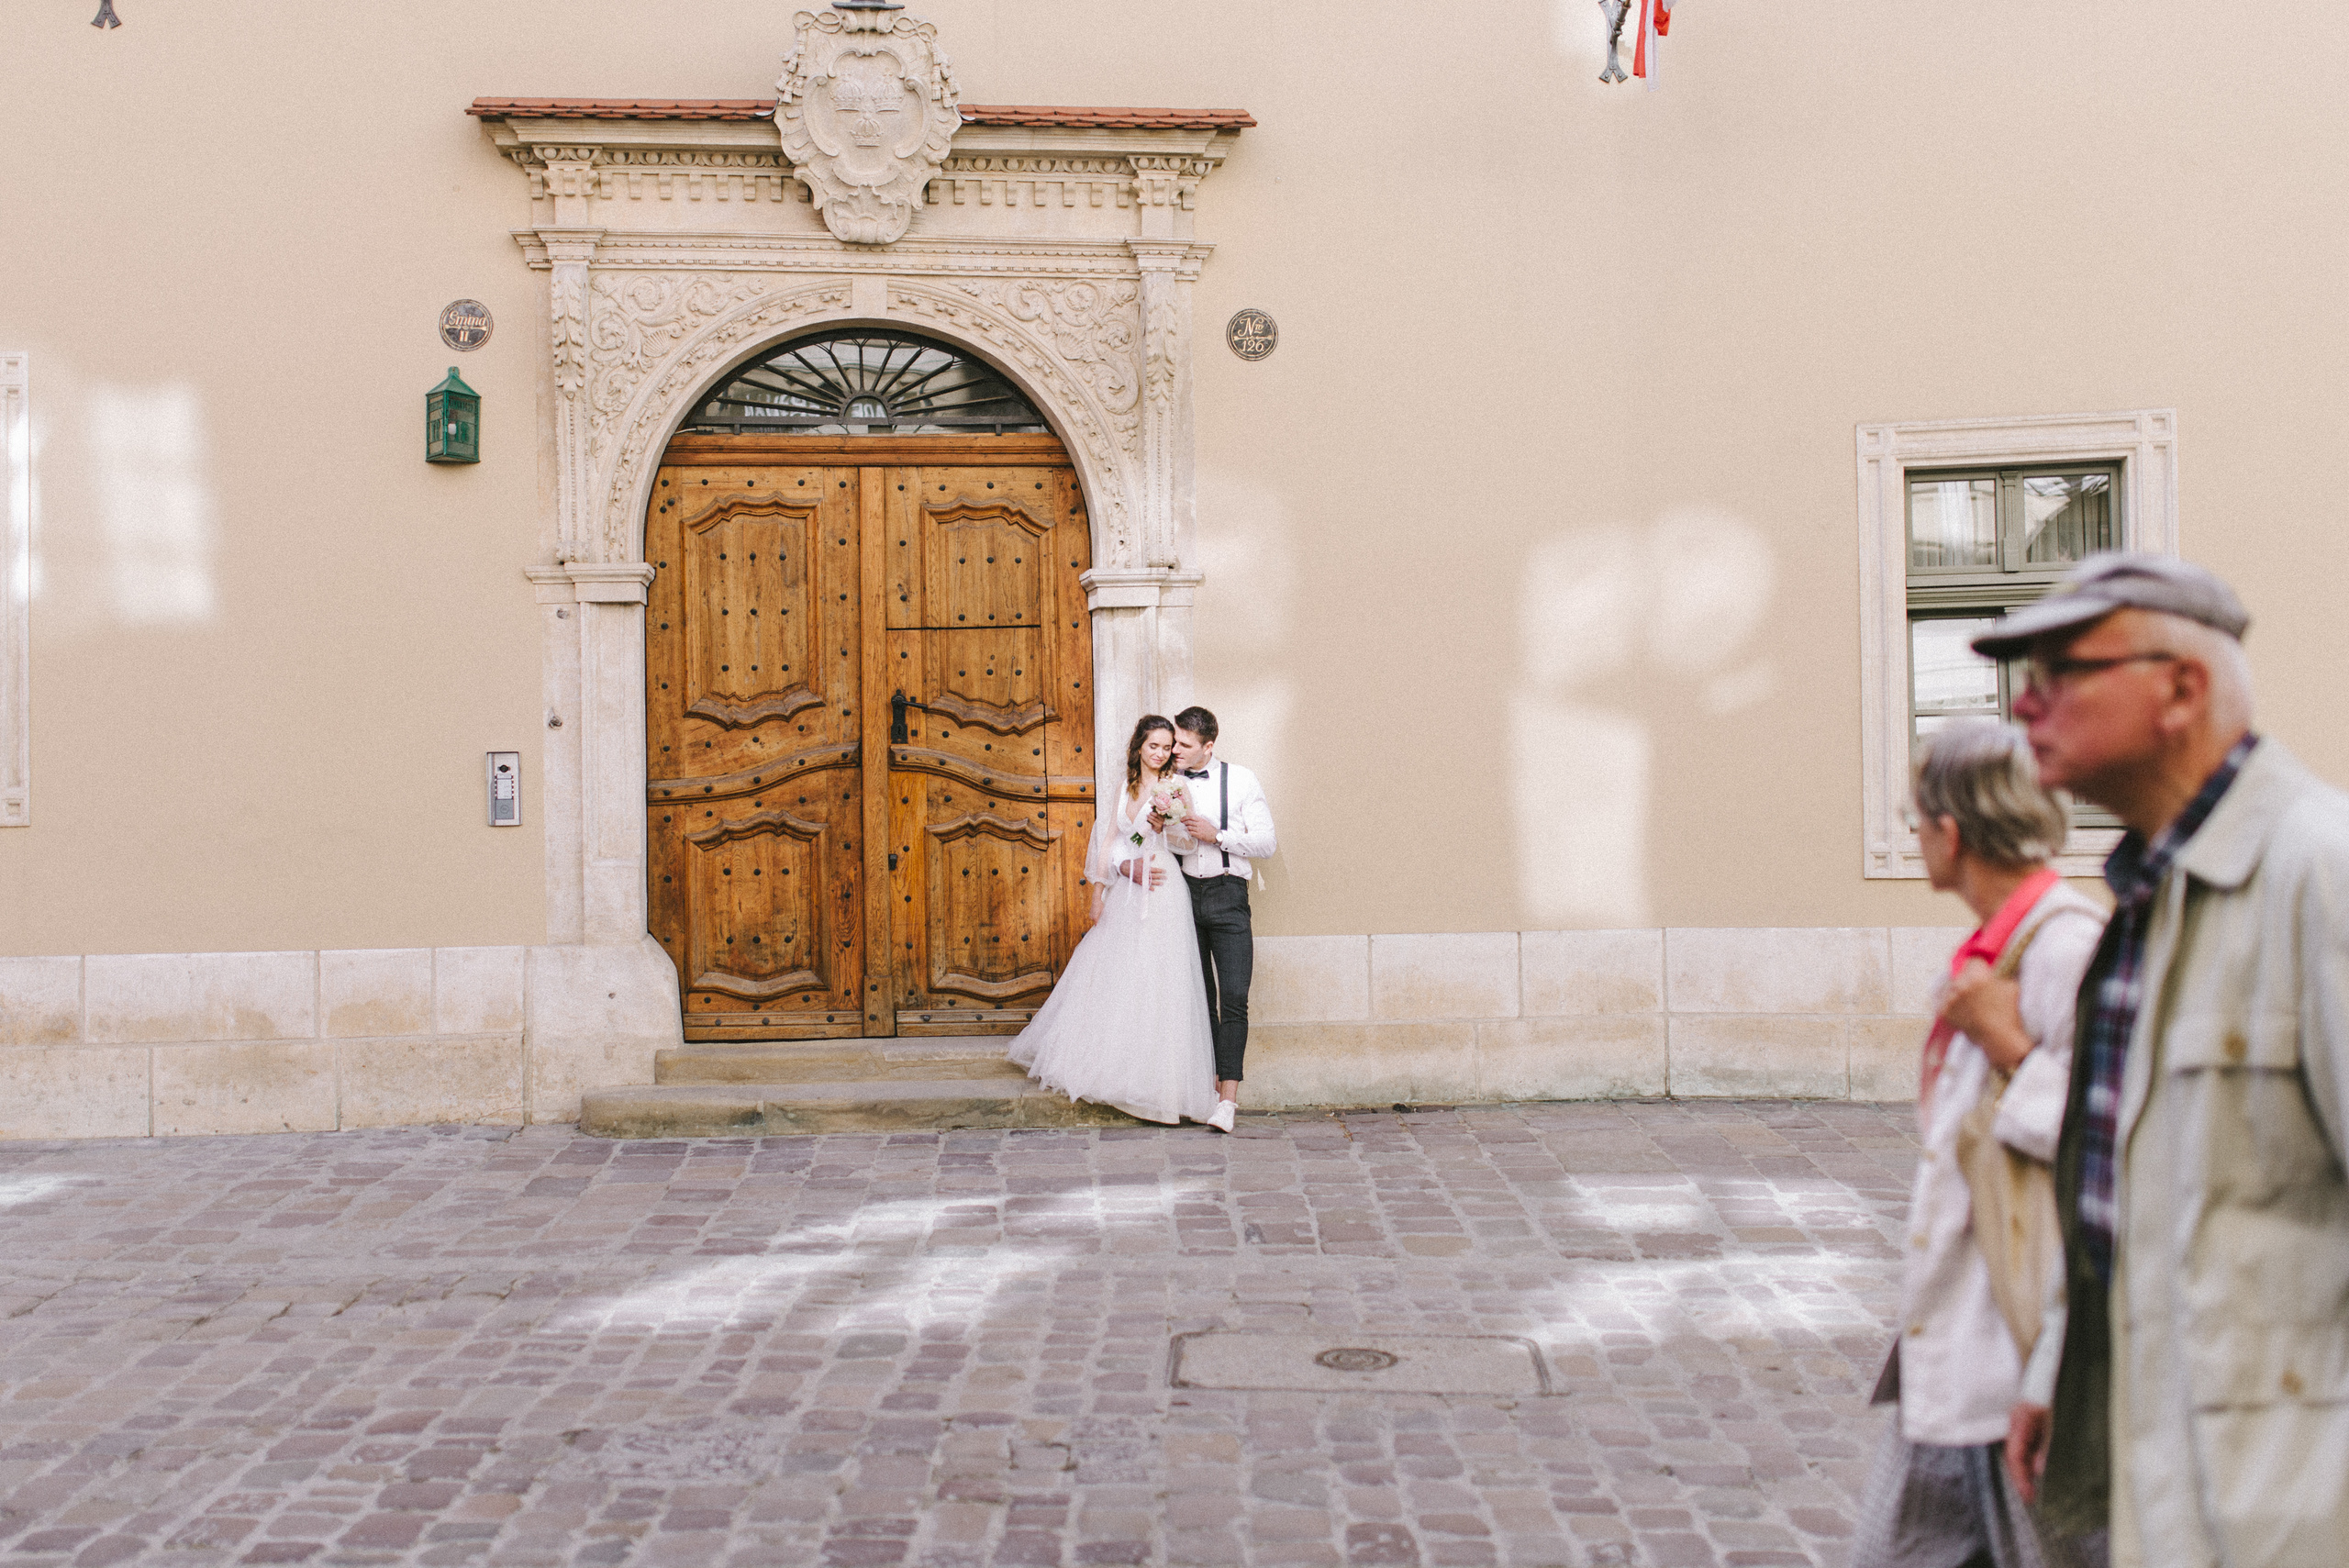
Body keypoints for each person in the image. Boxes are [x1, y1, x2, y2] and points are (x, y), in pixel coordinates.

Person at [1973, 554, 2349, 1567]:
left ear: (2180, 688)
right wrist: (2060, 1365)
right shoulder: (2151, 895)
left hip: (2291, 1502)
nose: (2025, 699)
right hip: (2172, 1472)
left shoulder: (2318, 873)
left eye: (2060, 669)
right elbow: (2125, 1186)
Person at [1851, 719, 2107, 1568]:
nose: (1913, 836)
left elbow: (2121, 1140)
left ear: (1951, 832)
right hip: (1951, 1358)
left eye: (1915, 819)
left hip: (2023, 1370)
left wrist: (2013, 1051)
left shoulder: (2068, 949)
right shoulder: (1994, 950)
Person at [1005, 716, 1219, 1127]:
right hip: (1127, 890)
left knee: (1157, 979)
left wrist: (1166, 825)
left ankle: (1156, 1085)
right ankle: (1109, 1067)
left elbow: (1187, 842)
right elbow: (1110, 841)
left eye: (1166, 747)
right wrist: (1101, 890)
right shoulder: (1126, 787)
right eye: (1153, 745)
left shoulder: (1175, 787)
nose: (1159, 753)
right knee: (1116, 973)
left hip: (1160, 888)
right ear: (1139, 746)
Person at [1165, 706, 1277, 1134]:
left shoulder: (1243, 779)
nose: (1175, 750)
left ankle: (1228, 1102)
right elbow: (1151, 838)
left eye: (1184, 745)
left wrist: (1218, 835)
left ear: (1207, 747)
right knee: (1198, 999)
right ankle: (1205, 1094)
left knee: (1233, 997)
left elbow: (1266, 842)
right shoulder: (1168, 782)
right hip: (1183, 896)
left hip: (1229, 895)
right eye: (1174, 741)